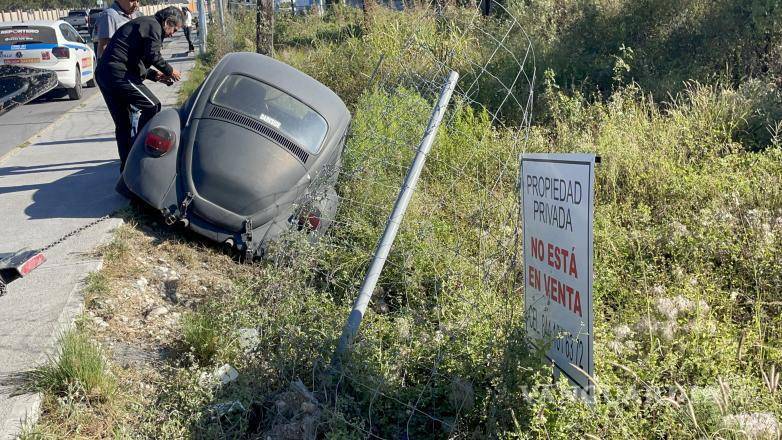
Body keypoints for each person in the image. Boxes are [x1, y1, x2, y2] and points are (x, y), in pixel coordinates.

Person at [96, 6, 183, 182]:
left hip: (107, 74)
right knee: (152, 105)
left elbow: (138, 59)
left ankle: (127, 171)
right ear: (167, 22)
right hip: (118, 73)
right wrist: (170, 70)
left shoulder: (146, 24)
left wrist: (155, 76)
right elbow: (153, 55)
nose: (172, 34)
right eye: (174, 29)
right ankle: (142, 149)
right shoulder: (153, 26)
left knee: (124, 125)